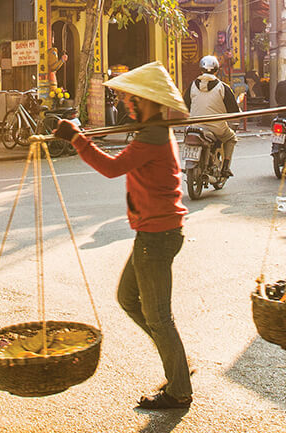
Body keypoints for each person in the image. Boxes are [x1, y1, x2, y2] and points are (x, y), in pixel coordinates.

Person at [54, 62, 192, 411]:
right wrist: (79, 136)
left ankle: (179, 389)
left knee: (159, 315)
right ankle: (177, 364)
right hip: (154, 232)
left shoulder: (153, 136)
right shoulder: (152, 131)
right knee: (129, 298)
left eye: (133, 100)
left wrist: (76, 139)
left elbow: (112, 168)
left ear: (147, 102)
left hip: (157, 235)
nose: (128, 104)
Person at [185, 55, 239, 179]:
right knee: (231, 138)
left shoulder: (192, 86)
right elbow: (233, 110)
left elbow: (185, 105)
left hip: (194, 126)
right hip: (216, 128)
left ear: (201, 70)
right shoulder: (223, 87)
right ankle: (225, 167)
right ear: (217, 70)